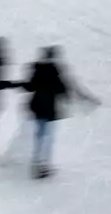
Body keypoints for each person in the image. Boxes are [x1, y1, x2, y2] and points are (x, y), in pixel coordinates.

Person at [22, 46, 100, 179]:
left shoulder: (36, 69)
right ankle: (44, 165)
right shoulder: (55, 71)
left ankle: (36, 163)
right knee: (48, 137)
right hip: (48, 108)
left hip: (37, 107)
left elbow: (29, 86)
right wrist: (83, 98)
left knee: (40, 136)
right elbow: (63, 89)